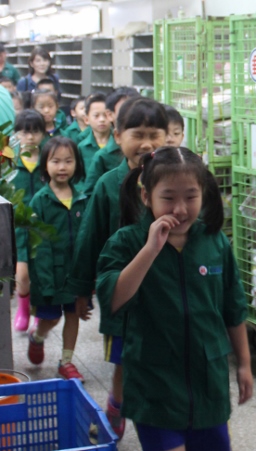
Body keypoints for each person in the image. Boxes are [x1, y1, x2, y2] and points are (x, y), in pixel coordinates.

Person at [96, 146, 253, 451]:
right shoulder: (127, 242)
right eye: (168, 198)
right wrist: (150, 250)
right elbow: (113, 300)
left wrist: (245, 364)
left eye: (191, 197)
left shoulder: (215, 242)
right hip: (154, 385)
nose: (180, 209)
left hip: (208, 385)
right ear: (146, 197)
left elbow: (233, 309)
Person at [66, 97, 169, 439]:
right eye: (137, 134)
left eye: (155, 134)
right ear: (118, 134)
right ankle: (116, 407)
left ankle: (162, 412)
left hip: (167, 292)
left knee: (165, 357)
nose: (147, 143)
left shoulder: (175, 179)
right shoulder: (109, 184)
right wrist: (82, 288)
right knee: (124, 361)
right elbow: (89, 237)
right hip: (124, 297)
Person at [22, 137, 87, 381]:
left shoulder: (82, 199)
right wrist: (46, 282)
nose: (62, 167)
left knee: (73, 315)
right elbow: (40, 246)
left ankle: (66, 361)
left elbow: (85, 241)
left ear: (77, 164)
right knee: (51, 318)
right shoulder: (40, 200)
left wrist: (87, 277)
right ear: (45, 165)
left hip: (74, 274)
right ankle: (37, 336)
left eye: (68, 161)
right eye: (56, 161)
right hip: (49, 274)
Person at [11, 109, 47, 332]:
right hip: (18, 227)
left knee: (41, 274)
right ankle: (23, 307)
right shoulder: (9, 160)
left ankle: (37, 312)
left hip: (43, 227)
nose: (30, 137)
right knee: (22, 274)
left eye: (35, 132)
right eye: (25, 132)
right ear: (16, 134)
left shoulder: (49, 158)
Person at [81, 88, 140, 196]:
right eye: (123, 110)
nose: (131, 116)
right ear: (110, 115)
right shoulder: (103, 156)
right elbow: (90, 194)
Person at [76, 92, 113, 191]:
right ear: (87, 119)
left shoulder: (120, 144)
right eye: (96, 116)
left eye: (105, 115)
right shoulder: (82, 147)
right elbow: (78, 178)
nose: (101, 120)